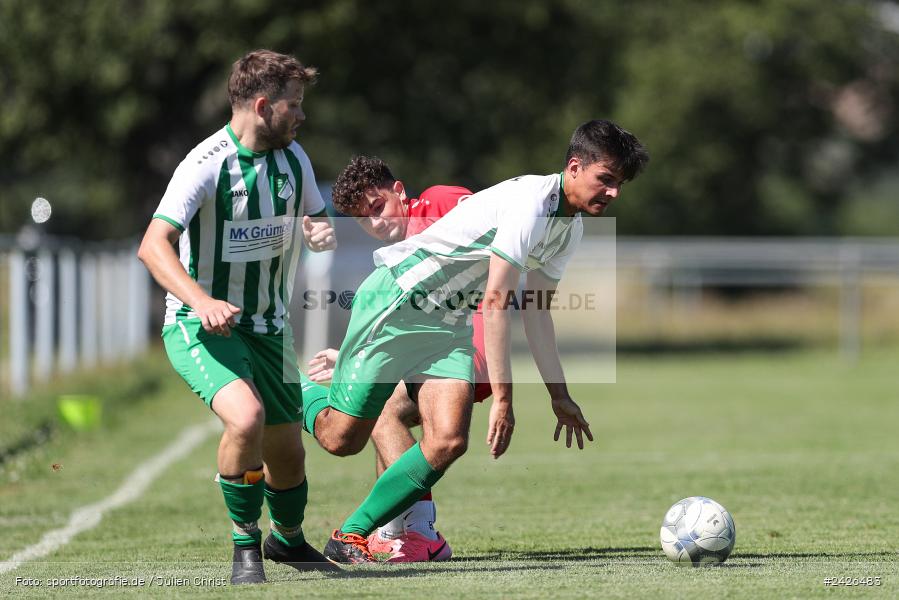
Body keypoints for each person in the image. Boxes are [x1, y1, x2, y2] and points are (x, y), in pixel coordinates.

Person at [301, 119, 649, 564]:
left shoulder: (570, 227)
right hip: (398, 301)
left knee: (448, 440)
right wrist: (503, 397)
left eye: (619, 183)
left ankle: (350, 535)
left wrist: (559, 396)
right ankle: (299, 394)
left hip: (447, 324)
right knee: (341, 439)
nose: (613, 192)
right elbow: (497, 299)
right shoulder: (532, 205)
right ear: (575, 166)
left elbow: (537, 312)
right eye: (606, 179)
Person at [137, 49, 338, 584]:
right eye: (293, 105)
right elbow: (153, 245)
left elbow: (317, 223)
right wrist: (201, 301)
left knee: (288, 453)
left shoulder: (296, 161)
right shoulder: (203, 166)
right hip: (200, 325)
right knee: (245, 418)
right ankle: (244, 544)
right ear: (262, 104)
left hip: (270, 329)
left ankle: (288, 542)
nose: (302, 115)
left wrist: (320, 233)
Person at [305, 158, 491, 562]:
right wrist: (358, 358)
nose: (375, 222)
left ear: (400, 191)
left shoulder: (440, 202)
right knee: (383, 410)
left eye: (378, 206)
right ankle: (393, 531)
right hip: (441, 344)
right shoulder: (400, 255)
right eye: (362, 219)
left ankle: (416, 532)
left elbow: (496, 233)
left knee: (389, 415)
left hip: (470, 342)